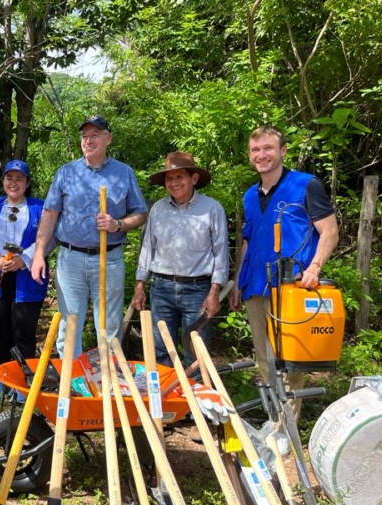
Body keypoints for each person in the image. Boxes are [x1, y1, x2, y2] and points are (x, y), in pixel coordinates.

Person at [229, 125, 338, 419]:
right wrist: (238, 281)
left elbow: (329, 232)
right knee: (264, 360)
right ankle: (274, 421)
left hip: (291, 286)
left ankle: (285, 432)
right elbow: (248, 241)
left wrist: (314, 268)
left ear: (282, 151)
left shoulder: (306, 185)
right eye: (255, 150)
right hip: (255, 285)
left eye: (268, 148)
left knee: (288, 362)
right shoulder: (250, 195)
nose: (261, 155)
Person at [31, 115, 148, 357]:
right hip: (70, 259)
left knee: (108, 326)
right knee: (69, 325)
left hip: (109, 258)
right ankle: (72, 386)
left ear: (108, 138)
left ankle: (107, 386)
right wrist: (39, 253)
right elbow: (50, 215)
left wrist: (117, 224)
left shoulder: (124, 173)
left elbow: (140, 214)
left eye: (94, 135)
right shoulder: (66, 172)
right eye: (84, 136)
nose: (88, 140)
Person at [132, 152, 229, 367]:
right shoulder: (158, 209)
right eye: (169, 179)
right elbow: (147, 248)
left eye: (179, 177)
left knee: (196, 350)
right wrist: (140, 285)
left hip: (197, 289)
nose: (174, 183)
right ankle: (165, 398)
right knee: (160, 349)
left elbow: (221, 254)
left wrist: (214, 292)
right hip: (161, 288)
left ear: (193, 179)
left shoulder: (212, 209)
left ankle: (195, 398)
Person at [0, 159, 50, 400]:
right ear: (3, 181)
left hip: (27, 278)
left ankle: (22, 381)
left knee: (24, 331)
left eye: (19, 179)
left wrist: (24, 259)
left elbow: (48, 238)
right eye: (9, 178)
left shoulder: (41, 207)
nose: (13, 183)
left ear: (27, 183)